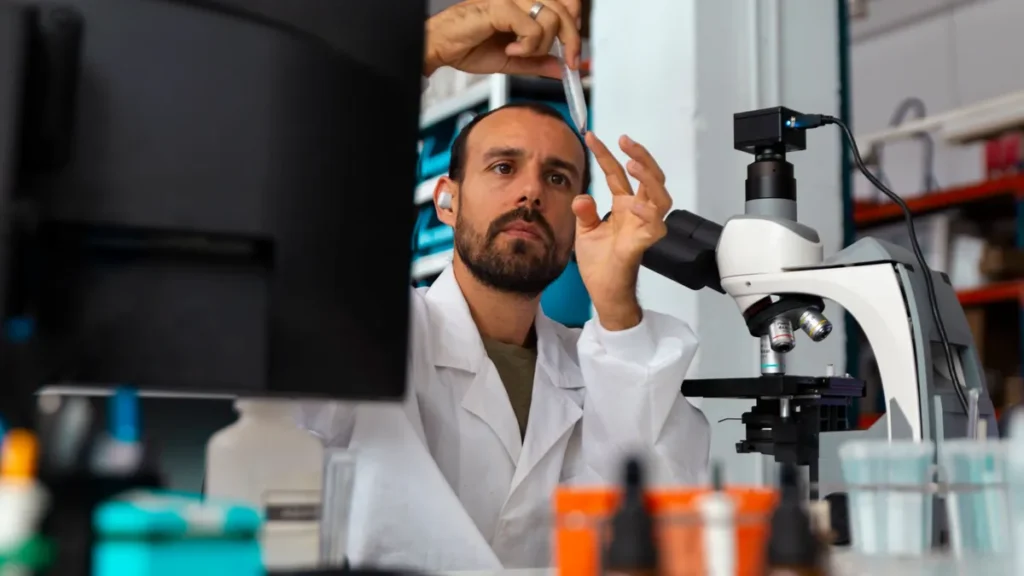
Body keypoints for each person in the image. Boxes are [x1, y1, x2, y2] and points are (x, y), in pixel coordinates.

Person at [300, 0, 710, 570]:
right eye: (502, 167)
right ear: (447, 201)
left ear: (578, 215)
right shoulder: (375, 333)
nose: (531, 192)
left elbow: (662, 515)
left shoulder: (604, 366)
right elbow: (307, 195)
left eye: (558, 177)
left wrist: (617, 306)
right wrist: (420, 53)